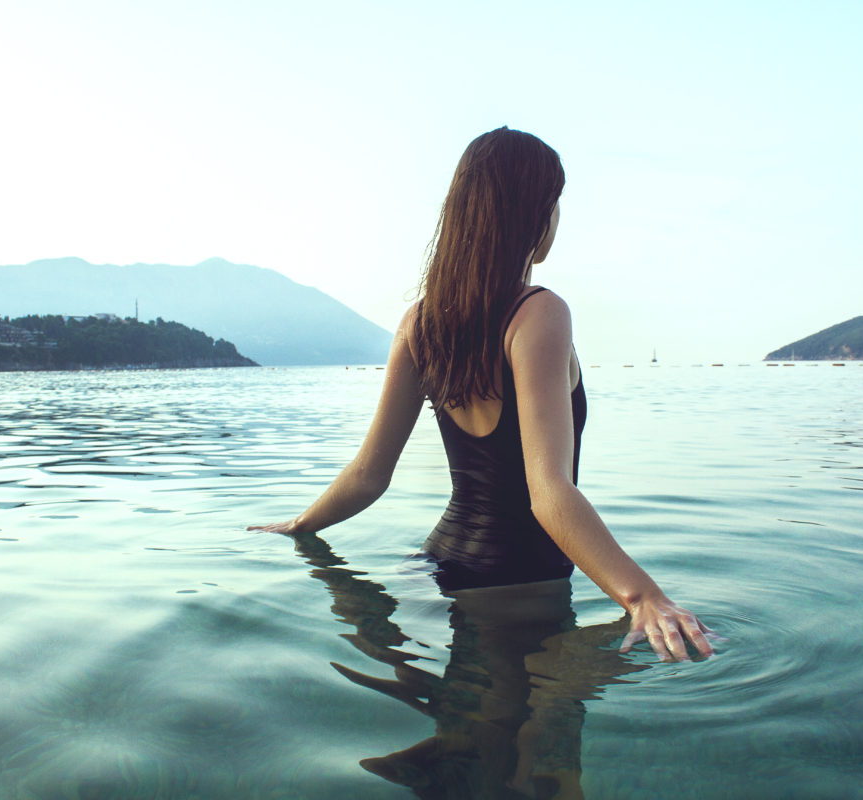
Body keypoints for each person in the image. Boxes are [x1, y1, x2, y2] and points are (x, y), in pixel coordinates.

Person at [250, 126, 712, 662]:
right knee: (538, 738)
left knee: (463, 724)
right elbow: (549, 492)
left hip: (435, 565)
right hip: (519, 583)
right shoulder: (539, 313)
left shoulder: (419, 323)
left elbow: (369, 474)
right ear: (533, 213)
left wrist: (303, 524)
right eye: (555, 203)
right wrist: (643, 597)